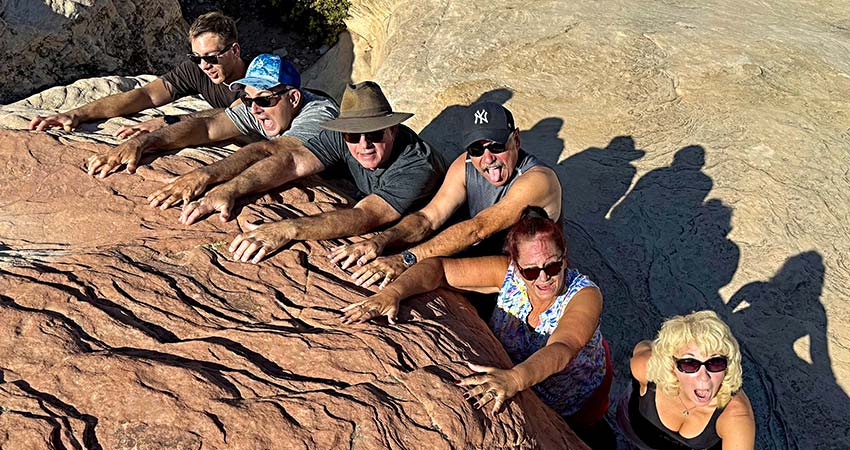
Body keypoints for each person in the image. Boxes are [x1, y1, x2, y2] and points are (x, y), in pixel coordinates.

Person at [341, 207, 614, 449]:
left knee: (590, 436)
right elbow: (438, 269)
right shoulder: (507, 273)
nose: (543, 278)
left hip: (576, 396)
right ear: (516, 265)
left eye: (553, 266)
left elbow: (563, 347)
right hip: (525, 383)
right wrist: (393, 293)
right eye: (531, 271)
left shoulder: (584, 295)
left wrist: (515, 379)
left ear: (565, 258)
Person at [174, 81, 447, 264]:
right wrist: (229, 189)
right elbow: (291, 161)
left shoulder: (417, 165)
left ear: (393, 130)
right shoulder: (341, 136)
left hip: (429, 240)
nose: (364, 145)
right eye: (354, 136)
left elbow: (367, 215)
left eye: (375, 134)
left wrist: (287, 229)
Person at [328, 101, 561, 289]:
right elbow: (428, 218)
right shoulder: (465, 165)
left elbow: (478, 228)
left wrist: (406, 259)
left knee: (426, 273)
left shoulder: (538, 180)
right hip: (485, 262)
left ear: (516, 139)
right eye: (476, 149)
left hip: (533, 275)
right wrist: (381, 240)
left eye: (496, 146)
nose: (488, 158)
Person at [83, 53, 338, 179]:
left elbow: (274, 152)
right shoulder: (265, 105)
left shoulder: (318, 113)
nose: (254, 109)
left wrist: (205, 176)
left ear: (293, 98)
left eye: (263, 100)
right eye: (248, 100)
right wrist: (143, 142)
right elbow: (208, 126)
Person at [29, 12, 248, 139]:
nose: (204, 65)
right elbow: (146, 95)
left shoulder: (257, 79)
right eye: (196, 57)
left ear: (235, 51)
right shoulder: (197, 69)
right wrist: (77, 114)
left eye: (211, 57)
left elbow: (231, 115)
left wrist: (168, 122)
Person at [619, 310, 755, 450]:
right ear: (670, 364)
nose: (704, 377)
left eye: (715, 362)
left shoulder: (736, 416)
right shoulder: (646, 368)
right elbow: (643, 346)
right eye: (689, 364)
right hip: (632, 433)